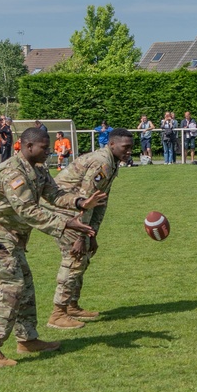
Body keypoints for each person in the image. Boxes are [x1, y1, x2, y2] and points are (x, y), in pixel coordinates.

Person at [0, 127, 105, 369]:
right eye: (44, 147)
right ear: (27, 147)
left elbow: (55, 194)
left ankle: (27, 339)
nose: (48, 151)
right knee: (10, 287)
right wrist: (66, 223)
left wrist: (80, 202)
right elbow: (28, 211)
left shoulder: (38, 170)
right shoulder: (13, 173)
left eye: (49, 147)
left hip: (9, 236)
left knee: (26, 284)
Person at [43, 128, 133, 330]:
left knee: (82, 259)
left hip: (77, 209)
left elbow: (100, 201)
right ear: (112, 144)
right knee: (74, 259)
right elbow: (84, 200)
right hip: (65, 210)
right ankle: (58, 314)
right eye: (125, 147)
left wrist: (93, 233)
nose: (129, 151)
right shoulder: (103, 162)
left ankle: (72, 306)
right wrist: (80, 235)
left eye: (131, 148)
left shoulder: (113, 161)